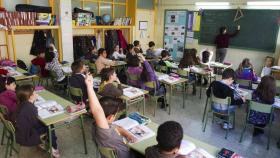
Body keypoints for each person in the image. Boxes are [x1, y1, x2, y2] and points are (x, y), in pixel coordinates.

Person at [85, 74, 136, 158]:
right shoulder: (104, 132)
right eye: (116, 114)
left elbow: (116, 128)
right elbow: (97, 110)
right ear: (110, 117)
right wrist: (89, 87)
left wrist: (128, 135)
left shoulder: (100, 125)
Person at [14, 85, 60, 157]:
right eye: (34, 92)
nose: (36, 93)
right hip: (28, 136)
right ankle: (54, 147)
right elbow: (34, 124)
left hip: (21, 132)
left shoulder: (22, 104)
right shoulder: (30, 108)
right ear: (30, 96)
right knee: (50, 126)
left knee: (45, 123)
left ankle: (47, 142)